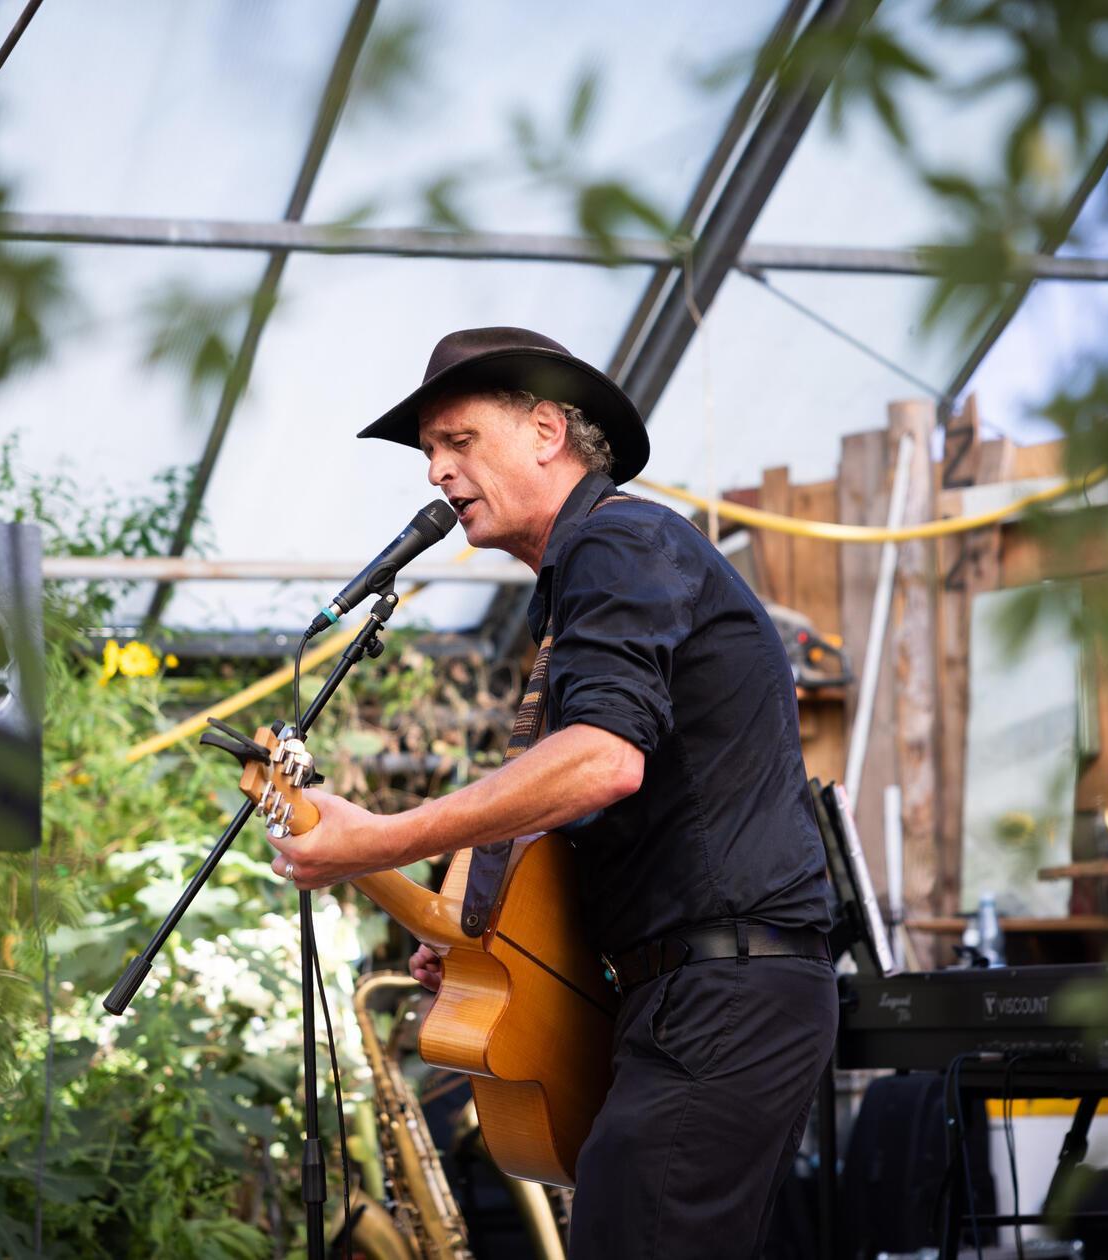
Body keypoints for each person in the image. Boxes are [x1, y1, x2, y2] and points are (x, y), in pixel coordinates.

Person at [263, 326, 836, 1259]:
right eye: (428, 454)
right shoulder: (578, 583)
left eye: (458, 442)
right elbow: (607, 827)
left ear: (543, 430)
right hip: (691, 993)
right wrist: (505, 956)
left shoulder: (621, 539)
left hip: (724, 995)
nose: (436, 474)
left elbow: (605, 762)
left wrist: (384, 839)